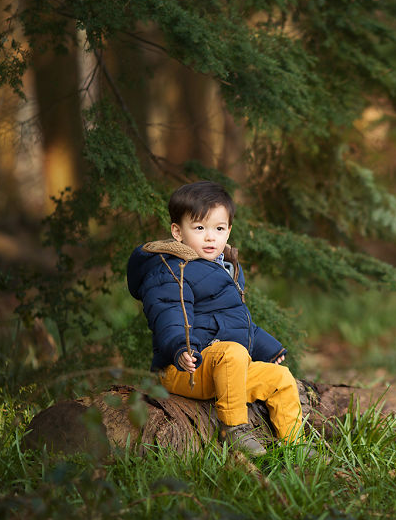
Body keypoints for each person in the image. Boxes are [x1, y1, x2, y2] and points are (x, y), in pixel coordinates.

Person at [127, 180, 304, 457]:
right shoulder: (171, 270)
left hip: (224, 370)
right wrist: (180, 347)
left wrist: (268, 348)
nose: (210, 237)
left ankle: (295, 445)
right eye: (199, 228)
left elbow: (236, 321)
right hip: (184, 369)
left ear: (229, 230)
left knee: (279, 377)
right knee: (231, 352)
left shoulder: (226, 267)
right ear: (178, 232)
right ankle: (233, 430)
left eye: (218, 229)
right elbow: (168, 315)